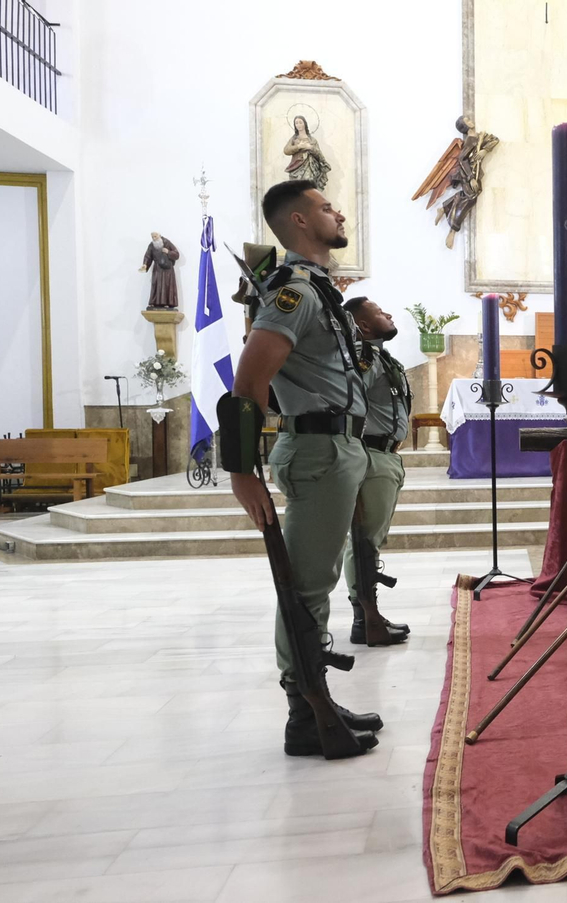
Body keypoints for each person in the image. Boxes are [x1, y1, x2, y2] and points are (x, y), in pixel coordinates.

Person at [225, 179, 379, 758]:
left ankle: (315, 700)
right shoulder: (293, 291)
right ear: (296, 222)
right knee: (307, 586)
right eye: (324, 207)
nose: (338, 212)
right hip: (319, 451)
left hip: (335, 448)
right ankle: (303, 711)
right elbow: (249, 380)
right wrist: (242, 471)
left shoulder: (317, 288)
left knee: (316, 581)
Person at [341, 297, 412, 647]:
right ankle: (364, 618)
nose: (389, 313)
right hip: (370, 455)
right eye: (381, 312)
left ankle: (367, 615)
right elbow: (349, 403)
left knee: (369, 540)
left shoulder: (381, 356)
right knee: (363, 541)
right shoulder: (363, 356)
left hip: (383, 456)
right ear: (364, 326)